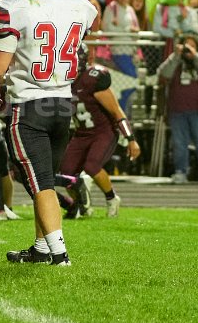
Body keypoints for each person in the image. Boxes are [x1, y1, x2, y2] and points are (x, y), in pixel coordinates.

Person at [0, 0, 99, 266]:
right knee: (45, 180)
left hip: (30, 106)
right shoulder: (78, 5)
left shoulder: (13, 8)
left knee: (41, 184)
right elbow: (89, 23)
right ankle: (41, 248)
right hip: (62, 104)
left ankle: (60, 255)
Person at [60, 60, 141, 218]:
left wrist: (131, 139)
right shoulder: (60, 82)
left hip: (103, 132)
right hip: (81, 133)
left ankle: (112, 198)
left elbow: (117, 111)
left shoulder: (91, 79)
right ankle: (82, 205)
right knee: (67, 172)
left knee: (92, 166)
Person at [158, 33, 198, 184]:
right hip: (176, 110)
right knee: (179, 143)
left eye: (192, 45)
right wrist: (176, 56)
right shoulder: (175, 59)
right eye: (186, 45)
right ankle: (180, 172)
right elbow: (164, 73)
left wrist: (195, 56)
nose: (188, 48)